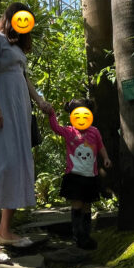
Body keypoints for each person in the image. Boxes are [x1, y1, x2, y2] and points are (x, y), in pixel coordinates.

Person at [0, 2, 53, 263]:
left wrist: (40, 101)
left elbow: (24, 77)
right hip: (2, 109)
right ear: (9, 18)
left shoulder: (17, 48)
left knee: (17, 164)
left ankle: (5, 230)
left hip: (20, 113)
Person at [48, 99, 111, 250]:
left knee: (87, 207)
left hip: (90, 177)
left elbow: (100, 146)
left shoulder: (94, 131)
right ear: (72, 116)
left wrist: (106, 158)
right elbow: (55, 128)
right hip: (75, 177)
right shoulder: (69, 131)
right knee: (77, 205)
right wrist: (51, 114)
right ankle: (78, 237)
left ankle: (86, 237)